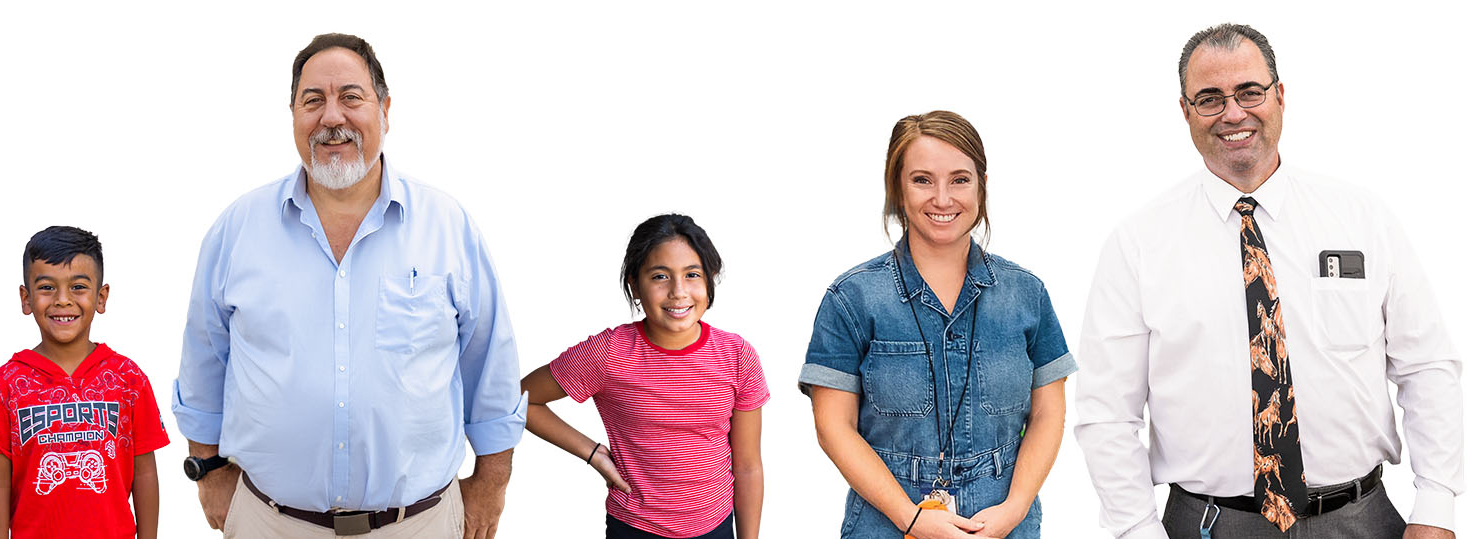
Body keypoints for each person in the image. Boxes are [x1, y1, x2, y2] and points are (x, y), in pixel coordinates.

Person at [1074, 23, 1464, 539]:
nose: (1233, 113)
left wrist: (1435, 505)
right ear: (1185, 112)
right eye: (1209, 98)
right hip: (1209, 524)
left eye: (1249, 92)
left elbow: (1427, 365)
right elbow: (1107, 412)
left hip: (1361, 520)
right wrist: (1135, 530)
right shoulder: (1137, 244)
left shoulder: (1361, 217)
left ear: (1279, 96)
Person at [171, 33, 524, 539]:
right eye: (313, 100)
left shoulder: (449, 227)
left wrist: (492, 483)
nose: (331, 117)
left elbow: (490, 364)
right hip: (269, 523)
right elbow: (204, 357)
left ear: (384, 110)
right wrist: (208, 472)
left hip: (417, 525)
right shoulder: (238, 229)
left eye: (351, 97)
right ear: (292, 115)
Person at [802, 111, 1073, 539]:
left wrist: (1014, 508)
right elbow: (832, 426)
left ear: (981, 187)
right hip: (886, 525)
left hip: (1004, 525)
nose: (943, 199)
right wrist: (910, 518)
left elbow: (1048, 412)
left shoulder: (1028, 293)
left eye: (960, 180)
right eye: (923, 180)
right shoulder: (850, 298)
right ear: (898, 189)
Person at [521, 214, 767, 539]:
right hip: (636, 528)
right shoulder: (608, 353)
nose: (678, 292)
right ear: (635, 286)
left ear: (710, 280)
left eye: (692, 274)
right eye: (660, 276)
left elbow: (748, 466)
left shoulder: (737, 356)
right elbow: (521, 398)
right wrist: (593, 454)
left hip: (716, 525)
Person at [0, 226, 169, 539]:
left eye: (78, 286)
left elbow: (145, 472)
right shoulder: (6, 384)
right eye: (47, 288)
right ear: (26, 299)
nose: (63, 300)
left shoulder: (129, 379)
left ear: (101, 297)